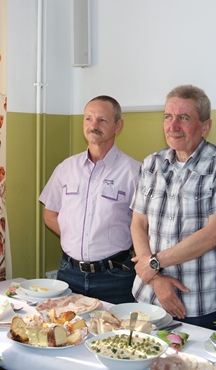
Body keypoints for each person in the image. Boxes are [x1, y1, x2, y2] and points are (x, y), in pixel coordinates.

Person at [130, 85, 216, 330]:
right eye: (168, 117)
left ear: (205, 126)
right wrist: (156, 277)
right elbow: (138, 224)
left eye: (183, 118)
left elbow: (215, 234)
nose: (173, 126)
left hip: (199, 300)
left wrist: (154, 263)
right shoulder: (151, 163)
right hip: (149, 295)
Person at [39, 96, 140, 304]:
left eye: (102, 120)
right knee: (66, 324)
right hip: (69, 274)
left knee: (117, 326)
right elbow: (49, 215)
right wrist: (76, 238)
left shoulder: (134, 172)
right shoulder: (66, 168)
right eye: (88, 119)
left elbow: (144, 226)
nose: (93, 125)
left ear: (118, 125)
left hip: (115, 277)